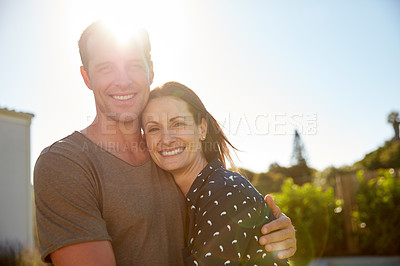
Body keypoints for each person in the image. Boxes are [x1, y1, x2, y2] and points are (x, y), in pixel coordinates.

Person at [34, 20, 296, 265]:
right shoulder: (65, 164)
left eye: (134, 65)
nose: (123, 80)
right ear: (87, 77)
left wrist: (267, 232)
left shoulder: (169, 157)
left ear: (151, 71)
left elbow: (227, 216)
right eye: (106, 67)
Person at [142, 81, 290, 265]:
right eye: (154, 128)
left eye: (178, 123)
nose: (166, 138)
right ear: (144, 139)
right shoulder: (183, 198)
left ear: (202, 129)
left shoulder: (226, 190)